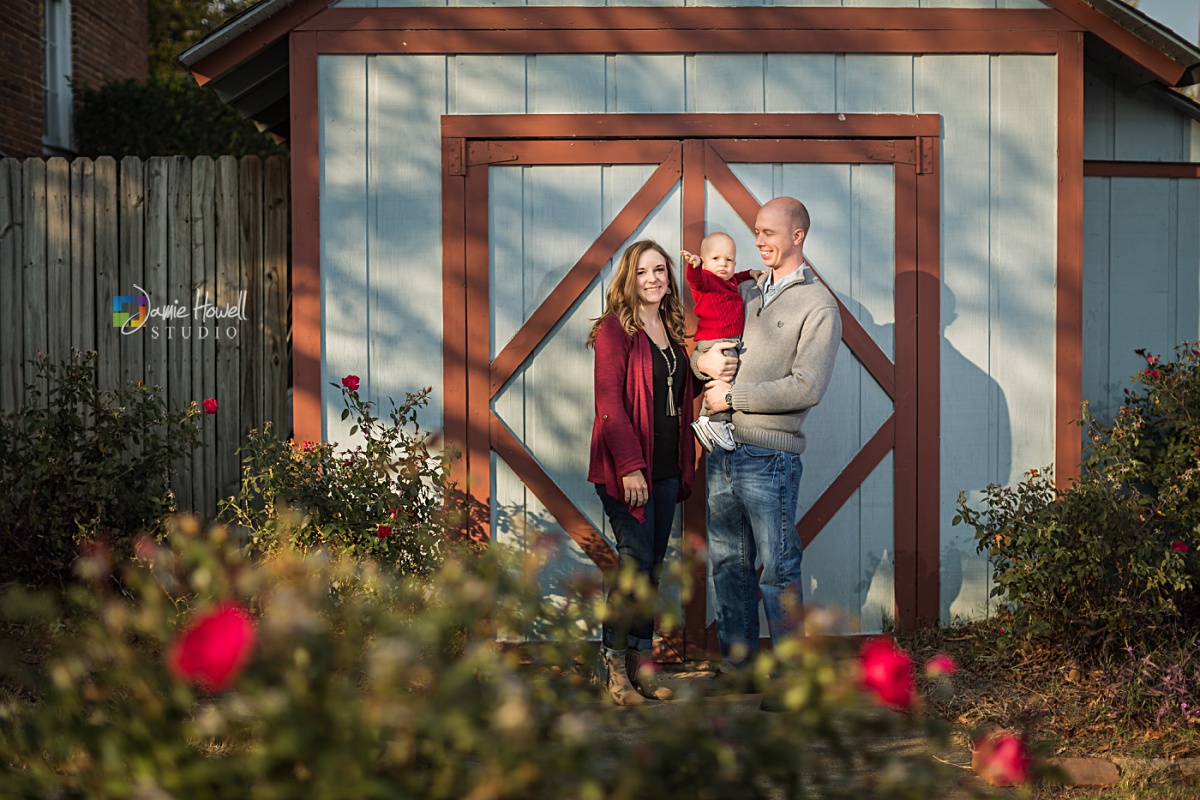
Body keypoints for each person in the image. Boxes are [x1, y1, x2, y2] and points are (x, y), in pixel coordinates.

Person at [691, 197, 841, 693]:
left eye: (769, 233)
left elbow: (807, 387)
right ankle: (739, 669)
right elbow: (703, 343)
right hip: (722, 449)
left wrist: (734, 394)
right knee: (728, 564)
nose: (758, 241)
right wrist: (701, 365)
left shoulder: (818, 305)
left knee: (778, 570)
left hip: (769, 456)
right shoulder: (747, 291)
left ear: (797, 236)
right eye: (756, 231)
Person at [587, 239, 698, 706]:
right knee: (634, 568)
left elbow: (685, 389)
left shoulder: (670, 328)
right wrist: (631, 467)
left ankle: (642, 665)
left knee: (650, 571)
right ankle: (612, 668)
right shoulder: (616, 330)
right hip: (629, 470)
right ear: (628, 279)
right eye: (643, 272)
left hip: (668, 466)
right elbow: (610, 403)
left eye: (660, 270)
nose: (653, 278)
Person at [680, 232, 761, 454]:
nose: (723, 264)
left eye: (729, 260)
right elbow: (695, 279)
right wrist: (694, 266)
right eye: (716, 259)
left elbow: (740, 277)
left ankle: (707, 421)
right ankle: (715, 421)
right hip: (715, 340)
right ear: (705, 261)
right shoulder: (707, 281)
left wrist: (751, 273)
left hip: (725, 340)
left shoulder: (731, 280)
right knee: (726, 379)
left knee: (725, 380)